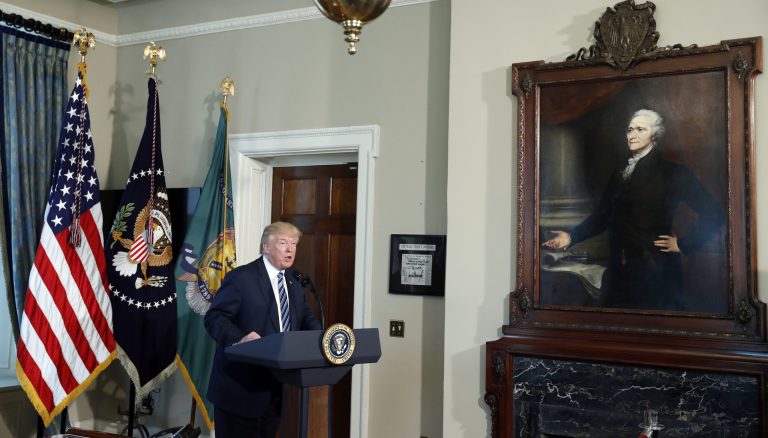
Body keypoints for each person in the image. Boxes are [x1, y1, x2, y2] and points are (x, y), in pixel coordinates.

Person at [543, 109, 724, 309]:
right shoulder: (621, 173)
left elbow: (714, 212)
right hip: (619, 269)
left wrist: (683, 244)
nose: (632, 135)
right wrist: (571, 237)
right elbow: (602, 216)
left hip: (655, 271)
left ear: (655, 135)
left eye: (640, 129)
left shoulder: (673, 173)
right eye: (630, 130)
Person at [204, 221, 321, 438]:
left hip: (275, 390)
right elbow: (215, 317)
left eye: (294, 243)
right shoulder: (242, 278)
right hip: (239, 390)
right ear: (266, 247)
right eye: (283, 243)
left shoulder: (294, 281)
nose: (290, 249)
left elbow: (306, 317)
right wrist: (241, 339)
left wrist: (323, 340)